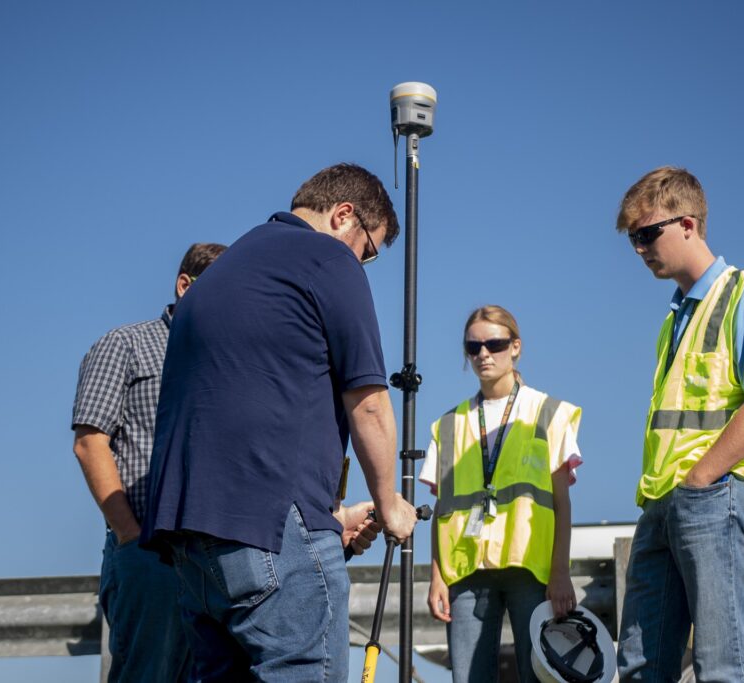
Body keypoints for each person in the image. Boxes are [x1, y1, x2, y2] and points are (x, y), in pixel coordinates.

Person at [139, 163, 418, 682]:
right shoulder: (328, 258)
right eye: (370, 250)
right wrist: (389, 502)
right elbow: (369, 401)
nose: (364, 263)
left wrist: (328, 520)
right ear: (343, 216)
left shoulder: (220, 274)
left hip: (192, 542)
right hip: (272, 531)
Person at [613, 166, 744, 682]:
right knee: (642, 668)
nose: (639, 248)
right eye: (632, 238)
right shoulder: (675, 318)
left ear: (687, 224)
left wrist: (700, 478)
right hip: (664, 504)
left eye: (647, 234)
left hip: (714, 496)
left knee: (724, 668)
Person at [72, 242, 226, 682]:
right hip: (150, 554)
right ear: (184, 286)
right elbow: (90, 442)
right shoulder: (125, 345)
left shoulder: (230, 361)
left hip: (215, 559)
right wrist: (129, 535)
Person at [422, 305, 584, 683]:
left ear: (515, 348)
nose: (483, 354)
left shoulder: (547, 412)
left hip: (530, 568)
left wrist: (560, 573)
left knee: (539, 675)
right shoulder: (447, 425)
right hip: (464, 571)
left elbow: (562, 503)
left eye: (494, 344)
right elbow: (441, 510)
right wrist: (436, 577)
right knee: (467, 678)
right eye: (473, 346)